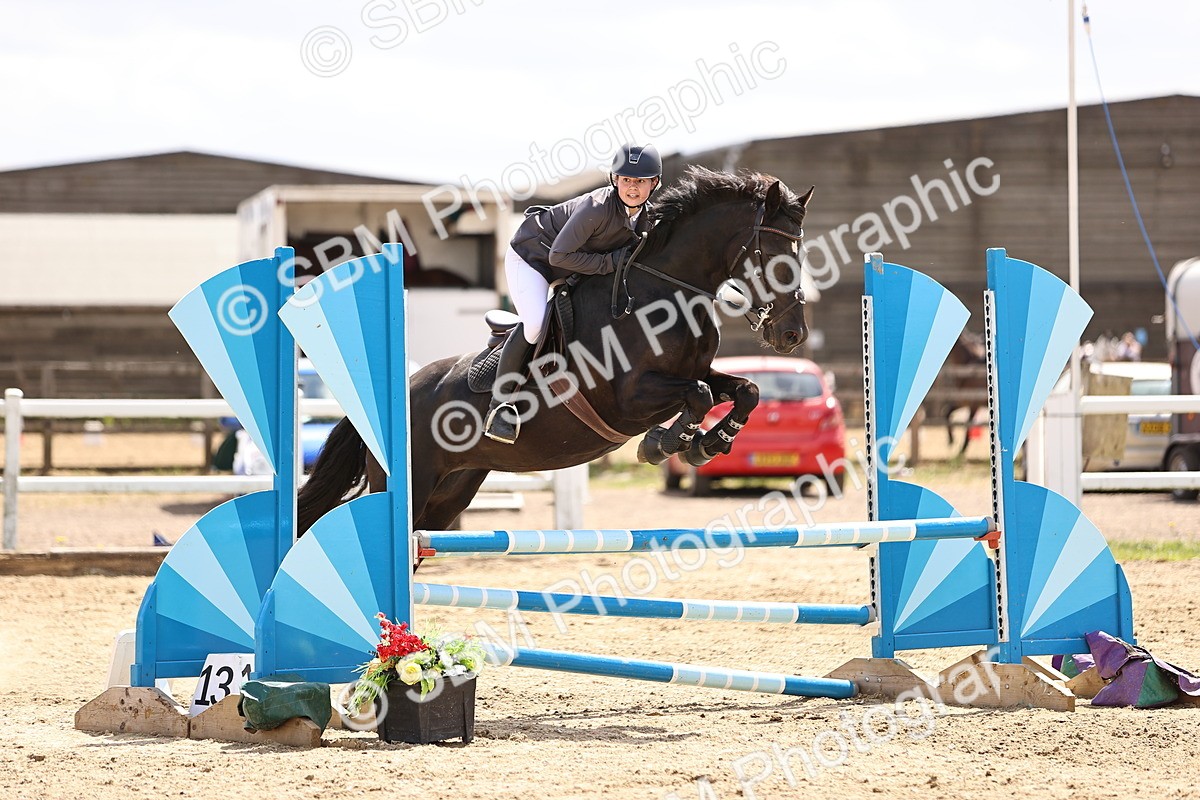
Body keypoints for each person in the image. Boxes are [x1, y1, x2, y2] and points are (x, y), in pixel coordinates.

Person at [483, 143, 662, 444]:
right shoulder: (596, 208)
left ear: (654, 183)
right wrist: (610, 263)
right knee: (537, 324)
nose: (633, 187)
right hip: (533, 259)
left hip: (572, 267)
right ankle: (499, 405)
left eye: (641, 181)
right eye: (627, 179)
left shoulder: (646, 218)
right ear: (614, 179)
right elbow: (558, 256)